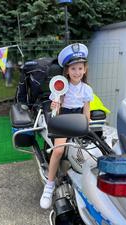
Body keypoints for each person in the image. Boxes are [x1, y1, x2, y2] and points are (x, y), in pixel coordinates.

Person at [40, 43, 93, 209]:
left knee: (90, 150)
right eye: (73, 69)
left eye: (80, 68)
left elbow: (87, 111)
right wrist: (56, 100)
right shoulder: (62, 86)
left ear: (85, 69)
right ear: (67, 71)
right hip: (64, 119)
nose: (77, 72)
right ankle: (49, 186)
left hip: (78, 120)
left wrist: (88, 124)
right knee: (58, 150)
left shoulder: (86, 89)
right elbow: (56, 106)